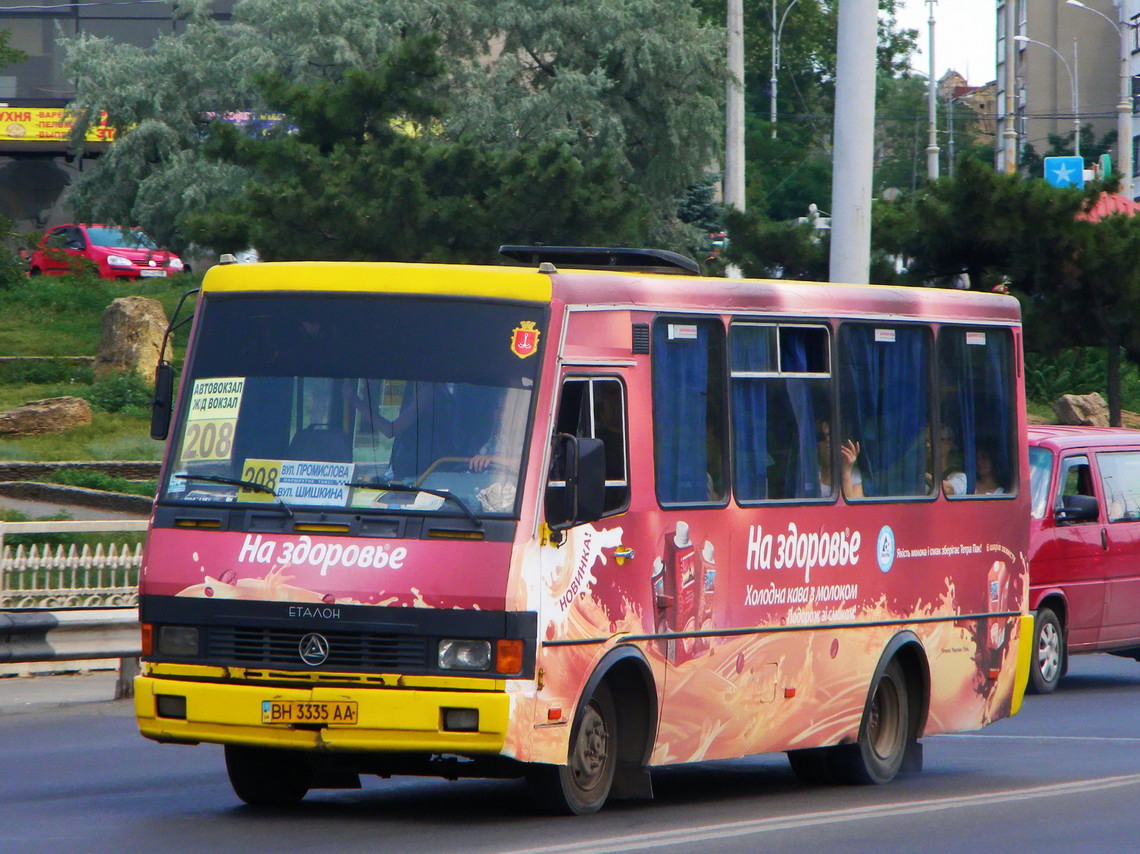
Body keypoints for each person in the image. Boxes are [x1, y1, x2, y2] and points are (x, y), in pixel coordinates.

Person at [817, 419, 864, 499]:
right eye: (822, 437)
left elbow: (854, 510)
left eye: (832, 436)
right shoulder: (810, 471)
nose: (828, 440)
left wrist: (845, 472)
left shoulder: (854, 475)